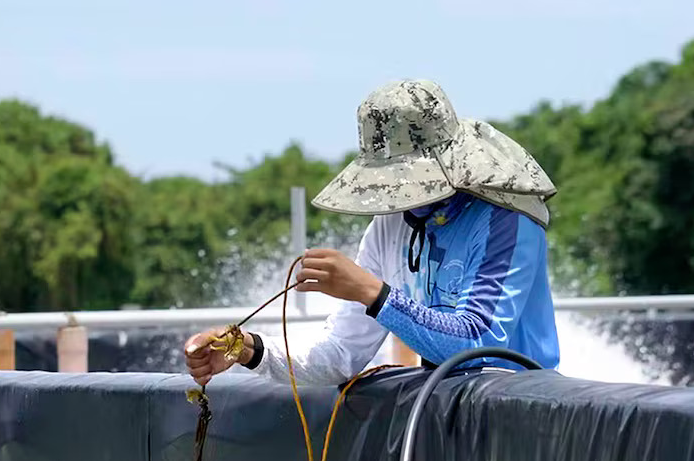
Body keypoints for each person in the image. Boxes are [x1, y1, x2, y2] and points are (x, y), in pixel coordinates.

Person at [185, 79, 561, 388]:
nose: (403, 195)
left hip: (522, 414)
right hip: (444, 415)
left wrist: (370, 291)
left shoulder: (508, 221)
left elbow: (479, 345)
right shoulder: (389, 226)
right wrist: (247, 349)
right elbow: (339, 356)